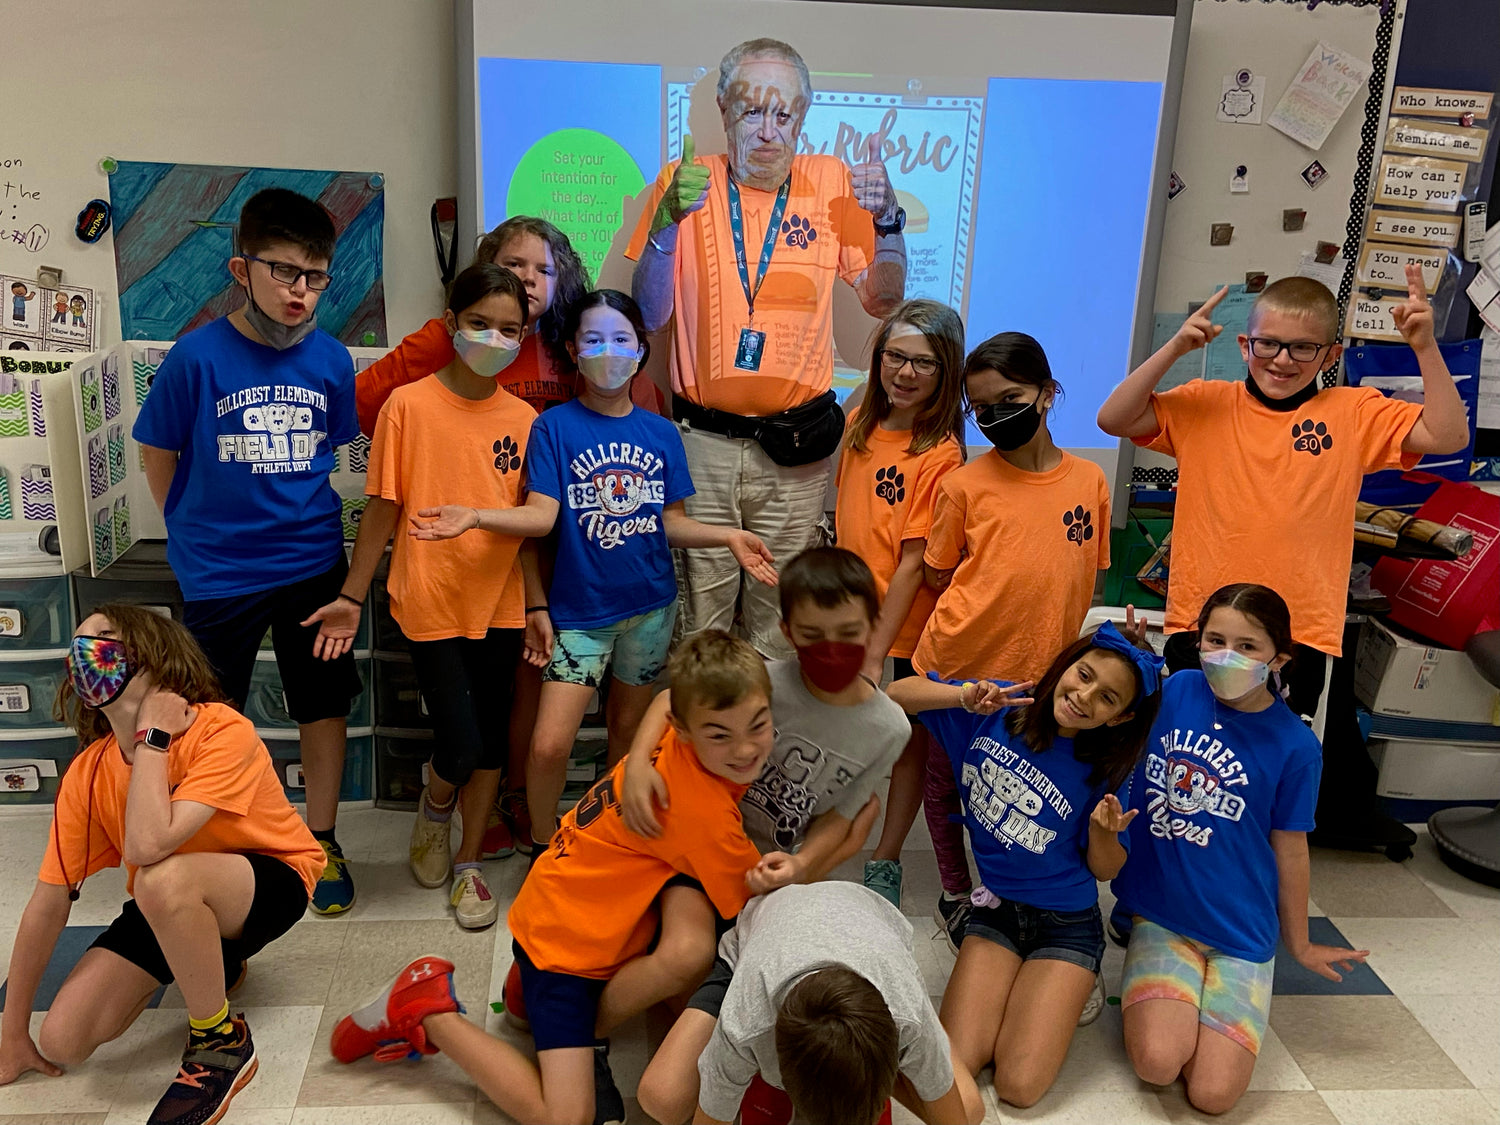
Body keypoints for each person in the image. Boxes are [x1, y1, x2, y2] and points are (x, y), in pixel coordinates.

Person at [329, 630, 796, 1125]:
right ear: (685, 730)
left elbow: (662, 698)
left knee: (677, 946)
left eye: (758, 725)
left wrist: (638, 758)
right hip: (566, 952)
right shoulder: (699, 811)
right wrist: (830, 851)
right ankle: (427, 1008)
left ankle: (525, 996)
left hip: (558, 901)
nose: (746, 749)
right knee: (565, 1117)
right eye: (721, 734)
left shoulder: (680, 722)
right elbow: (754, 899)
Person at [1096, 267, 1468, 846]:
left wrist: (1424, 346)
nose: (1282, 359)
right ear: (1246, 344)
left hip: (1298, 635)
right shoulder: (1203, 403)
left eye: (1303, 348)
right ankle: (1163, 881)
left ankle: (1249, 881)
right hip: (1201, 624)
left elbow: (1446, 436)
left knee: (1262, 771)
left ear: (1329, 353)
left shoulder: (1354, 411)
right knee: (1182, 763)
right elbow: (1113, 418)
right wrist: (1175, 346)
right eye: (1268, 343)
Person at [407, 289, 777, 852]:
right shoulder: (551, 428)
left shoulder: (661, 433)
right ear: (573, 351)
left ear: (640, 350)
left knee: (627, 737)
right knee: (549, 746)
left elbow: (668, 522)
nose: (609, 351)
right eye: (594, 339)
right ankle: (543, 842)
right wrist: (476, 517)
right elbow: (542, 515)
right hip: (579, 615)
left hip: (651, 609)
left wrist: (726, 535)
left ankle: (609, 839)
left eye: (621, 338)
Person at [356, 216, 663, 862]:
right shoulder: (464, 335)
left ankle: (519, 796)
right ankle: (487, 799)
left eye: (543, 268)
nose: (528, 279)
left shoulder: (571, 341)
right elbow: (374, 405)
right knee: (506, 694)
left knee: (536, 680)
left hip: (576, 545)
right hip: (483, 554)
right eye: (515, 264)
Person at [627, 37, 907, 659]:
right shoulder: (686, 180)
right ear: (724, 110)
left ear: (802, 117)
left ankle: (769, 755)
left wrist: (889, 225)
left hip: (795, 449)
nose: (768, 130)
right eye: (753, 111)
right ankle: (698, 756)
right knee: (699, 624)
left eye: (784, 115)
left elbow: (883, 300)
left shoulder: (833, 181)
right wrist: (666, 226)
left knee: (780, 624)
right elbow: (650, 313)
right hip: (703, 443)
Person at [0, 607, 324, 1125]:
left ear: (155, 655)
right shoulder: (88, 773)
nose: (85, 655)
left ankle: (220, 1039)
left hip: (267, 882)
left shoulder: (222, 730)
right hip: (170, 898)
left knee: (159, 875)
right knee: (64, 1039)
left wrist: (152, 736)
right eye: (78, 644)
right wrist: (12, 1031)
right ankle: (208, 961)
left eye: (104, 637)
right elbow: (49, 902)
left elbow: (150, 844)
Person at [133, 186, 363, 915]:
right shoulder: (196, 358)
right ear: (242, 269)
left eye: (316, 275)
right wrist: (190, 534)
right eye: (284, 272)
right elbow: (157, 450)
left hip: (313, 563)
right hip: (219, 572)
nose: (301, 291)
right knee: (207, 712)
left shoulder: (330, 360)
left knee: (322, 703)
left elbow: (324, 448)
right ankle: (220, 839)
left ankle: (320, 837)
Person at [304, 264, 535, 929]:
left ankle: (467, 864)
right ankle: (437, 805)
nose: (495, 337)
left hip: (502, 602)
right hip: (429, 599)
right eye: (480, 323)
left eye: (510, 329)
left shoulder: (524, 419)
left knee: (491, 745)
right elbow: (382, 509)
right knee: (459, 745)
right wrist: (352, 592)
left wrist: (539, 607)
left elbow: (529, 528)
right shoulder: (407, 406)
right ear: (451, 322)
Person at [1112, 584, 1371, 1115]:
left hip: (1241, 933)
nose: (1226, 656)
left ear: (1280, 657)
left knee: (1212, 1095)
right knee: (1159, 1063)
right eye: (1215, 639)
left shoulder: (1297, 747)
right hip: (1162, 916)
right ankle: (1168, 994)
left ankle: (1207, 998)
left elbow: (1293, 850)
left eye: (1247, 646)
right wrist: (1133, 658)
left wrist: (1299, 944)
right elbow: (1117, 705)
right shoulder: (1178, 689)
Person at [888, 622, 1161, 1108]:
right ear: (1064, 667)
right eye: (1083, 675)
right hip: (996, 913)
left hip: (1066, 925)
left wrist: (1103, 834)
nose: (1084, 696)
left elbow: (1105, 870)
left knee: (1019, 1086)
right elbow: (896, 693)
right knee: (958, 1065)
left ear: (1119, 718)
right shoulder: (994, 713)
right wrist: (963, 696)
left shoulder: (1112, 769)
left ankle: (1072, 981)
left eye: (1107, 698)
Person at [911, 332, 1112, 956]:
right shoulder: (964, 486)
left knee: (1025, 793)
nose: (999, 416)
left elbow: (1089, 570)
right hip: (957, 667)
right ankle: (955, 892)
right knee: (948, 788)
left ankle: (1026, 898)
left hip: (1041, 677)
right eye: (983, 408)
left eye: (1012, 398)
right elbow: (939, 572)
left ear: (1048, 394)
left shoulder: (1091, 480)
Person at [621, 548, 911, 889]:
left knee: (866, 811)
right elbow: (670, 698)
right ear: (787, 632)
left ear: (873, 626)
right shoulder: (761, 679)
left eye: (848, 633)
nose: (831, 650)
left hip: (765, 858)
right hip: (696, 833)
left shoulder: (891, 729)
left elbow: (843, 815)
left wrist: (801, 864)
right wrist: (637, 765)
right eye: (812, 635)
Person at [636, 882, 983, 1125]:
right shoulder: (745, 1024)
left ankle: (865, 1073)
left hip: (864, 915)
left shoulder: (906, 1015)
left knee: (969, 1110)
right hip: (762, 932)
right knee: (662, 1098)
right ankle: (847, 1077)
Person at [835, 298, 966, 907]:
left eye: (924, 363)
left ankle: (885, 856)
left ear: (946, 373)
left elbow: (914, 562)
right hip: (850, 614)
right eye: (896, 356)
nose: (906, 373)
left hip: (905, 625)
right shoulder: (858, 418)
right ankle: (833, 835)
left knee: (907, 739)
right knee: (851, 736)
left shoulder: (940, 453)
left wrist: (876, 652)